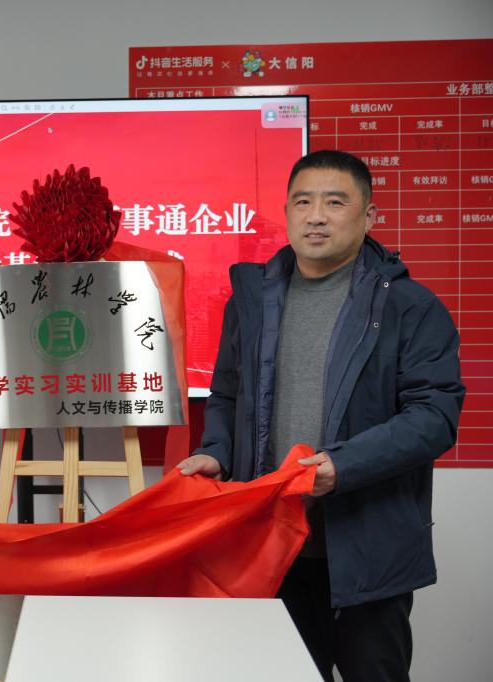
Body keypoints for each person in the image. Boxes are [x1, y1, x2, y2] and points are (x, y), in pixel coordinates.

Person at [176, 149, 464, 681]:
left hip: (368, 546)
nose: (316, 216)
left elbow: (434, 416)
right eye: (303, 202)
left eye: (335, 202)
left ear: (369, 215)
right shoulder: (251, 302)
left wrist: (343, 465)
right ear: (287, 212)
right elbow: (229, 394)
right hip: (272, 544)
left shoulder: (411, 307)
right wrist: (217, 453)